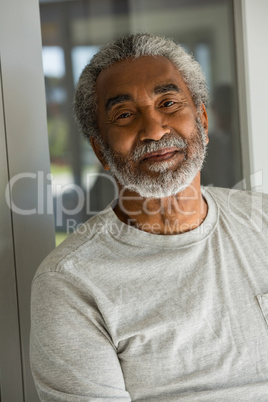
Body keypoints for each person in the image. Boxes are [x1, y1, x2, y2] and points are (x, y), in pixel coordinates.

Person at [30, 33, 268, 401]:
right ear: (101, 150)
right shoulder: (71, 283)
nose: (155, 129)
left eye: (169, 103)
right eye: (124, 114)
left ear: (202, 120)